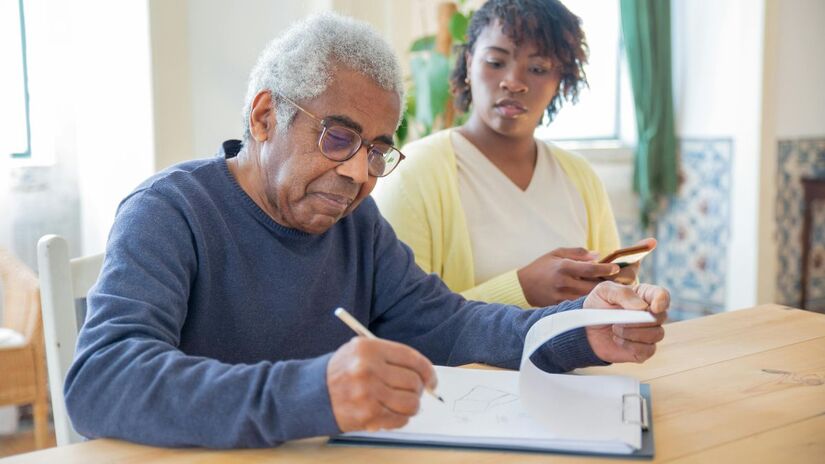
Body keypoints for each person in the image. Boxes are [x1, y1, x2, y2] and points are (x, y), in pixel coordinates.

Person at [64, 12, 669, 449]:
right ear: (265, 116)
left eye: (377, 150)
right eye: (337, 136)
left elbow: (451, 323)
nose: (358, 173)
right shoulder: (170, 213)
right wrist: (310, 392)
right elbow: (102, 380)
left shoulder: (356, 222)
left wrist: (582, 329)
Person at [374, 0, 651, 309]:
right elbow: (400, 319)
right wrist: (521, 289)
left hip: (575, 357)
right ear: (468, 63)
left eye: (537, 68)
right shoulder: (413, 174)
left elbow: (604, 303)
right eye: (495, 62)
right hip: (459, 362)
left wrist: (619, 289)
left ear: (560, 81)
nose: (514, 82)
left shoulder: (580, 176)